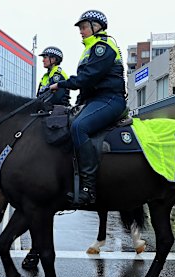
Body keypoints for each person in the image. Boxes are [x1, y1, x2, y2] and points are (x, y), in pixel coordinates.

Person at [50, 10, 126, 208]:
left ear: (96, 27)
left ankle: (88, 188)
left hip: (110, 99)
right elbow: (86, 85)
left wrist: (63, 85)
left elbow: (88, 78)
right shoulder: (90, 49)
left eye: (84, 27)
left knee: (79, 127)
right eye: (81, 28)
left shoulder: (103, 47)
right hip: (95, 100)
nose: (81, 31)